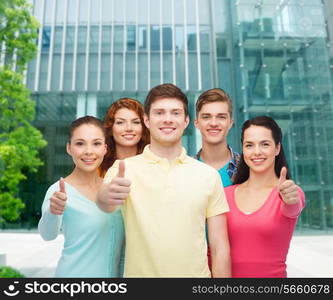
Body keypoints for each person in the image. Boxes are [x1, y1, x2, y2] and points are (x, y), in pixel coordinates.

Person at [97, 83, 231, 278]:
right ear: (147, 120)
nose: (168, 119)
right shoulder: (123, 169)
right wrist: (107, 195)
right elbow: (104, 202)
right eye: (159, 113)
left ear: (186, 121)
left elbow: (219, 247)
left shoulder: (208, 175)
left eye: (175, 113)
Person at [225, 116, 305, 277]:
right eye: (249, 145)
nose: (256, 152)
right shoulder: (226, 194)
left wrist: (290, 199)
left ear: (277, 148)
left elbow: (293, 206)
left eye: (265, 144)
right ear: (243, 149)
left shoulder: (288, 192)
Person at [194, 88, 240, 186]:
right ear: (197, 123)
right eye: (206, 117)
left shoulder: (247, 168)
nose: (214, 123)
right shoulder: (186, 170)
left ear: (230, 123)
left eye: (221, 117)